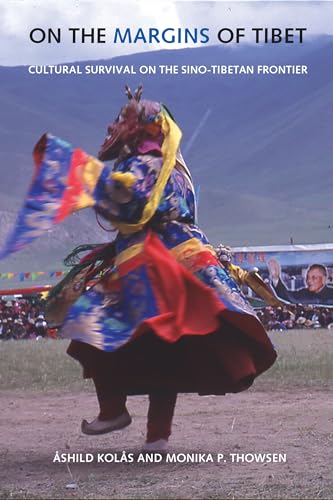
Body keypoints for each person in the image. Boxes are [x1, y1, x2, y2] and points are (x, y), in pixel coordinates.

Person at [2, 86, 276, 451]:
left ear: (142, 128)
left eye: (121, 120)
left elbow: (132, 208)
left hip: (155, 266)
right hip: (169, 264)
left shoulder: (145, 165)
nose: (112, 125)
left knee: (92, 326)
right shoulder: (173, 167)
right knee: (161, 348)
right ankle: (156, 435)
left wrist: (79, 174)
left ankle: (115, 409)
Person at [268, 259, 333, 306]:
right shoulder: (303, 293)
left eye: (314, 278)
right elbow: (287, 296)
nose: (309, 281)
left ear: (324, 279)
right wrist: (276, 278)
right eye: (308, 277)